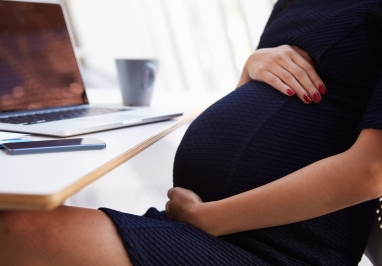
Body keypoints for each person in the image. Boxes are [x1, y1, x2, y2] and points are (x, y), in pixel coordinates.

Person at [1, 0, 382, 265]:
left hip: (275, 250)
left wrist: (211, 219)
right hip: (205, 226)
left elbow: (373, 170)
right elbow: (261, 104)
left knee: (20, 231)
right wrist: (251, 66)